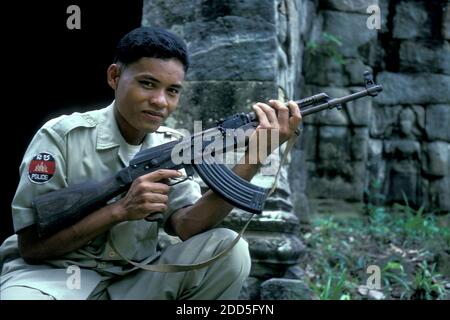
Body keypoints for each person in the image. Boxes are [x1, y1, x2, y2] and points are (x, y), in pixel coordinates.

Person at [0, 26, 301, 300]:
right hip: (52, 280)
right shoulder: (62, 137)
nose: (160, 101)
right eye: (148, 83)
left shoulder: (171, 145)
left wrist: (256, 153)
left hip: (132, 281)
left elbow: (187, 226)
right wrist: (120, 210)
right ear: (114, 77)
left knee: (229, 248)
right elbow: (32, 248)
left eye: (172, 91)